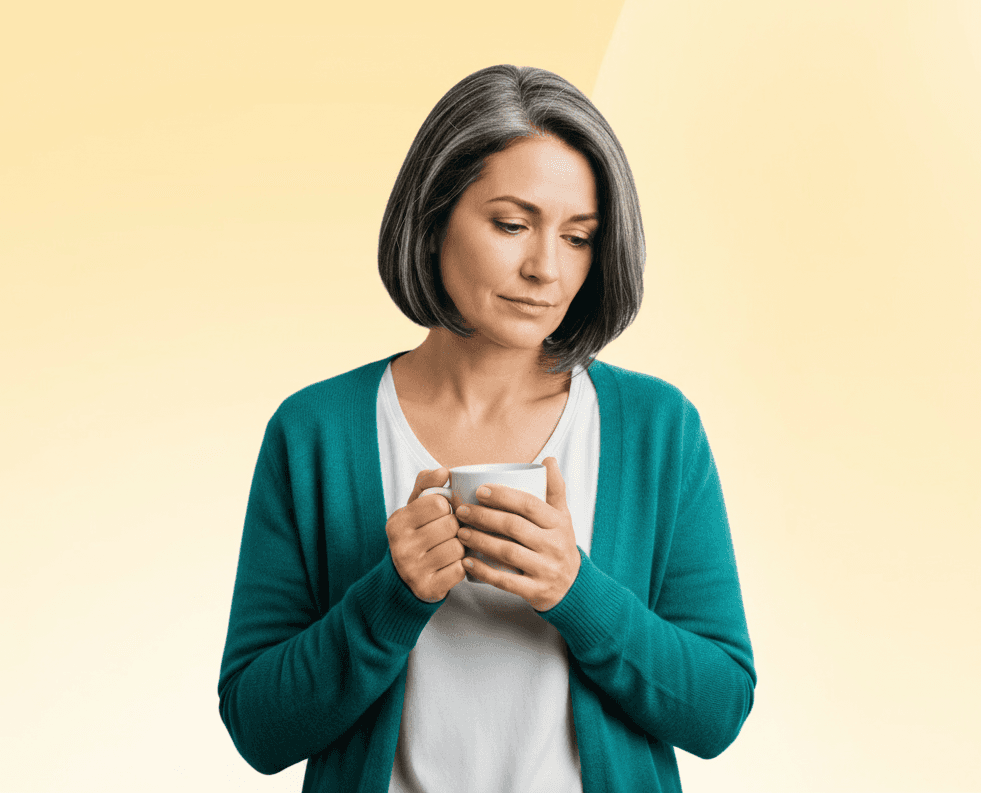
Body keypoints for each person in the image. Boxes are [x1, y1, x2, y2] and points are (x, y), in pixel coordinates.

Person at [218, 64, 754, 793]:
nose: (546, 269)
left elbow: (718, 711)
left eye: (578, 237)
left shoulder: (658, 429)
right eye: (512, 225)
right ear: (433, 217)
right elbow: (258, 729)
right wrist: (391, 597)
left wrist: (576, 592)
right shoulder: (315, 431)